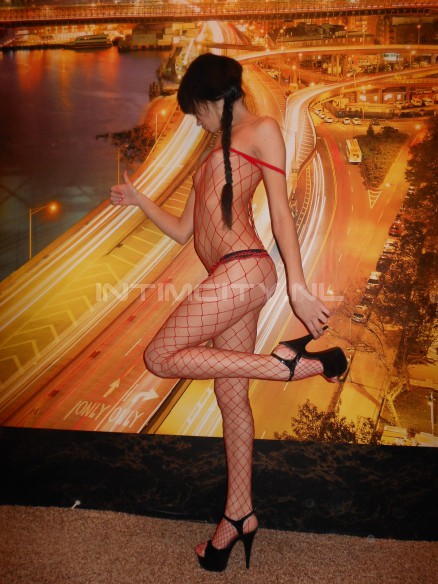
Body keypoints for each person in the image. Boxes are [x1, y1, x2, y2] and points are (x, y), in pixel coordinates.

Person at [110, 53, 347, 572]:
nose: (195, 122)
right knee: (230, 396)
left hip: (245, 268)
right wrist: (139, 199)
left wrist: (299, 287)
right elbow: (183, 232)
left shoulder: (262, 129)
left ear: (214, 98)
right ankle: (238, 516)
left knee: (160, 356)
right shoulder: (211, 153)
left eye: (195, 111)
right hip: (229, 274)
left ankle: (289, 364)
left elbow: (280, 211)